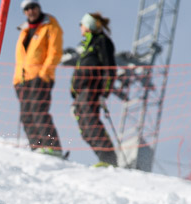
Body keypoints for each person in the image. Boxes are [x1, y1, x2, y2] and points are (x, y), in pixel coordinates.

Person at [14, 0, 64, 157]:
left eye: (33, 7)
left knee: (39, 111)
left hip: (40, 77)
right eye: (27, 9)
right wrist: (17, 80)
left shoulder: (50, 25)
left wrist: (44, 73)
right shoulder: (24, 31)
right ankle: (36, 147)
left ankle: (52, 147)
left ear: (38, 8)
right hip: (22, 80)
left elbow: (55, 52)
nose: (30, 11)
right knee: (26, 114)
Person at [71, 12, 118, 166]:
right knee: (84, 128)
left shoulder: (102, 41)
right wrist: (74, 94)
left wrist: (104, 93)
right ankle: (104, 159)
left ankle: (108, 159)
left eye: (82, 24)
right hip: (81, 93)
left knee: (91, 123)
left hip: (92, 90)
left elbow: (109, 68)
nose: (80, 27)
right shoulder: (87, 45)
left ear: (89, 25)